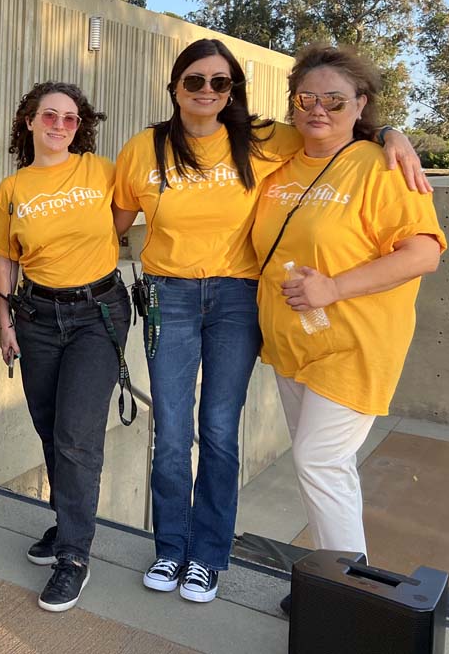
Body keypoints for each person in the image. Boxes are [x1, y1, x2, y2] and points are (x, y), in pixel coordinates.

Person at [112, 38, 428, 605]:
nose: (207, 91)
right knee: (172, 432)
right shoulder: (147, 149)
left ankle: (211, 557)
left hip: (244, 302)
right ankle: (170, 548)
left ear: (233, 91)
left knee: (224, 432)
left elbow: (340, 132)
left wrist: (390, 133)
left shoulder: (261, 141)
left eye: (220, 82)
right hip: (178, 299)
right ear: (175, 87)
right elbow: (111, 222)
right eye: (194, 81)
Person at [253, 46, 443, 612]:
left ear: (360, 104)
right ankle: (338, 575)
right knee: (321, 469)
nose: (319, 110)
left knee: (320, 462)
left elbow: (423, 253)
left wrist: (333, 288)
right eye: (307, 98)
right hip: (292, 346)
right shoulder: (282, 161)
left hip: (354, 345)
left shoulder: (381, 166)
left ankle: (351, 598)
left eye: (335, 100)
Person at [0, 82, 132, 613]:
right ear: (29, 121)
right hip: (37, 317)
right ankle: (67, 523)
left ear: (81, 128)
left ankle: (74, 553)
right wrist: (4, 322)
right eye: (49, 116)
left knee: (77, 435)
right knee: (50, 427)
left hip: (97, 313)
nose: (58, 125)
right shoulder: (13, 188)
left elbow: (131, 213)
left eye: (70, 119)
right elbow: (5, 258)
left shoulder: (102, 171)